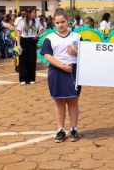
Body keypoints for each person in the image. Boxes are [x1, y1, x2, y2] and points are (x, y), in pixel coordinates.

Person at [40, 8, 82, 142]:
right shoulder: (49, 38)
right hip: (57, 71)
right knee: (59, 101)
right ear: (54, 23)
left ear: (68, 21)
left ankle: (74, 128)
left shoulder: (77, 36)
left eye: (63, 22)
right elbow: (47, 55)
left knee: (73, 101)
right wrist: (62, 66)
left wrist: (75, 52)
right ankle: (60, 129)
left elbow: (88, 53)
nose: (60, 25)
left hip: (74, 70)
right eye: (57, 23)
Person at [16, 9, 44, 85]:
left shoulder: (37, 21)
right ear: (29, 13)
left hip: (32, 41)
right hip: (23, 41)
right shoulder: (22, 21)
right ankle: (23, 79)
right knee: (22, 60)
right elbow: (18, 33)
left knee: (32, 59)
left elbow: (42, 29)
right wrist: (18, 44)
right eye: (33, 12)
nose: (34, 14)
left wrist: (36, 36)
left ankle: (31, 78)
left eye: (35, 12)